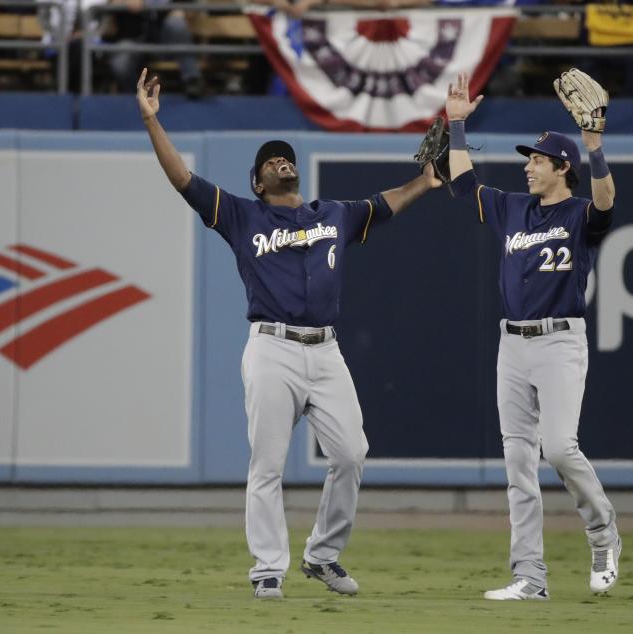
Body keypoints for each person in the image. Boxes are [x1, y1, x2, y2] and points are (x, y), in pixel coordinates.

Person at [136, 67, 441, 599]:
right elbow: (183, 179)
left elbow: (383, 205)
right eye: (270, 160)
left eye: (286, 155)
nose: (283, 159)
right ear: (258, 182)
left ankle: (322, 556)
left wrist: (426, 181)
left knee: (351, 454)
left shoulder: (334, 214)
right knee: (267, 466)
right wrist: (151, 123)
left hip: (326, 351)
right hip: (271, 349)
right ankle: (267, 569)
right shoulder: (239, 215)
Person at [444, 71, 621, 600]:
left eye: (537, 160)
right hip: (512, 345)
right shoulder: (512, 207)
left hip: (560, 341)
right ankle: (530, 577)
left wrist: (595, 147)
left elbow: (607, 202)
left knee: (561, 449)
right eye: (528, 159)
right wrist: (455, 124)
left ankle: (603, 532)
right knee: (518, 461)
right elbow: (463, 184)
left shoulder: (577, 214)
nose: (528, 166)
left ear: (561, 167)